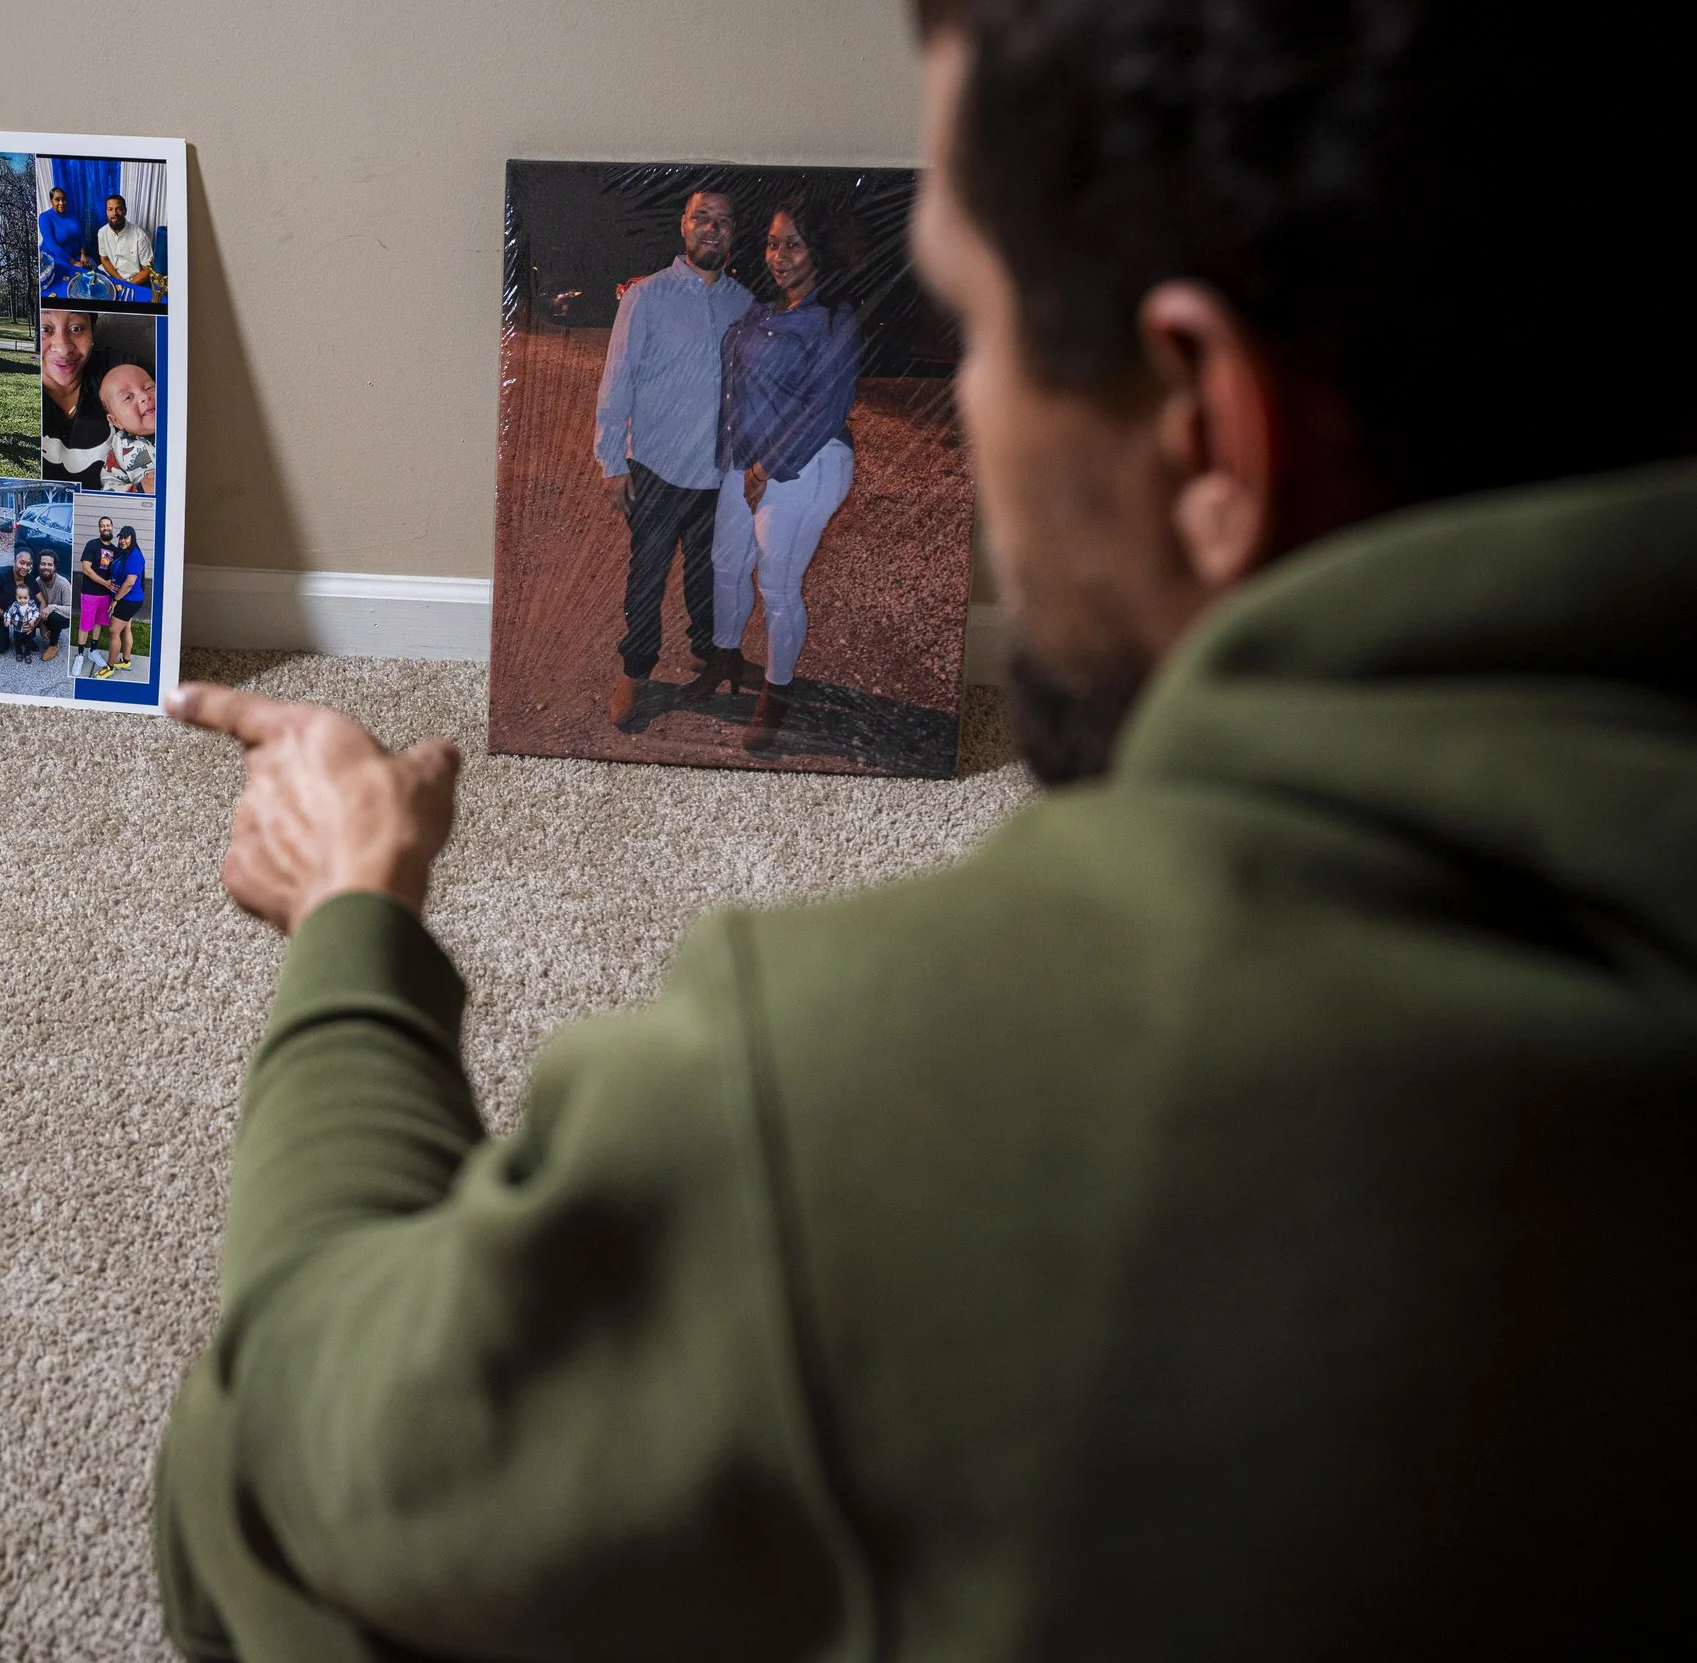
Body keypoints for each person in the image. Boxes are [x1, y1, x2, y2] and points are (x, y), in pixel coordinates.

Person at [150, 0, 1697, 1657]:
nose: (969, 405)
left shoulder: (846, 1083)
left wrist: (354, 919)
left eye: (976, 326)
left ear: (1207, 432)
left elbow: (296, 1465)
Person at [710, 197, 866, 751]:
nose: (778, 256)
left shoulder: (832, 320)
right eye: (773, 244)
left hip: (808, 463)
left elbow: (825, 409)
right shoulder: (762, 312)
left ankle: (776, 696)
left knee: (776, 585)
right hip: (746, 461)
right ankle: (726, 658)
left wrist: (763, 468)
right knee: (726, 564)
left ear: (818, 250)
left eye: (793, 245)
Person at [593, 187, 752, 728]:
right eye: (701, 218)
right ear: (683, 226)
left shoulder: (743, 305)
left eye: (722, 221)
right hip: (656, 467)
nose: (712, 228)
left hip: (718, 471)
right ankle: (635, 672)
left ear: (732, 234)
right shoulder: (647, 297)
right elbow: (618, 379)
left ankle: (706, 651)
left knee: (708, 572)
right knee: (648, 575)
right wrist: (612, 462)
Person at [39, 309, 112, 486]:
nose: (63, 349)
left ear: (92, 331)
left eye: (76, 328)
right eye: (44, 329)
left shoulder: (121, 370)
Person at [0, 547, 68, 661]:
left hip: (16, 612)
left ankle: (28, 638)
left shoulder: (30, 580)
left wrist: (36, 623)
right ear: (14, 561)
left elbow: (42, 601)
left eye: (28, 564)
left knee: (31, 605)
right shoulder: (0, 575)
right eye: (21, 563)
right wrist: (7, 616)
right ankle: (4, 633)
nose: (25, 567)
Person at [97, 361, 157, 494]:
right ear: (116, 421)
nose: (144, 396)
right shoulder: (119, 450)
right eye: (128, 397)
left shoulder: (180, 423)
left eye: (149, 388)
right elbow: (109, 490)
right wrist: (139, 489)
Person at [100, 523, 146, 677]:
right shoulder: (123, 553)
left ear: (133, 538)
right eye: (121, 538)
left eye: (126, 538)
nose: (122, 541)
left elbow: (129, 583)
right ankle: (126, 661)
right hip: (123, 597)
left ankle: (110, 667)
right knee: (126, 628)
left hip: (129, 599)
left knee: (113, 631)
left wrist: (115, 600)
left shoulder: (135, 556)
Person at [74, 512, 117, 670]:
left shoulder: (115, 550)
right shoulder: (92, 545)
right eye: (102, 525)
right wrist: (105, 583)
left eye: (108, 525)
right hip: (90, 593)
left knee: (99, 622)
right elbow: (86, 569)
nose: (106, 528)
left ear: (112, 527)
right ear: (99, 529)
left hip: (105, 595)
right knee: (85, 624)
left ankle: (93, 651)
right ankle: (80, 655)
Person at [94, 193, 158, 296]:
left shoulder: (140, 236)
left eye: (118, 209)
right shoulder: (102, 232)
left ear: (125, 211)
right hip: (111, 275)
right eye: (110, 209)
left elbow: (147, 270)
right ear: (106, 211)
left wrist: (127, 285)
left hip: (134, 280)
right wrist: (118, 279)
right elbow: (104, 259)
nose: (114, 213)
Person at [37, 185, 89, 290]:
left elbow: (81, 235)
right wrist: (74, 262)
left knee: (91, 279)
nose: (61, 203)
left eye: (63, 199)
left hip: (77, 257)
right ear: (51, 201)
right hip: (57, 260)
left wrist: (83, 253)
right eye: (57, 199)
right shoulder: (45, 218)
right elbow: (53, 247)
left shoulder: (72, 214)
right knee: (74, 287)